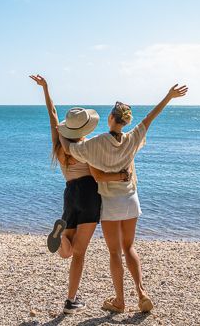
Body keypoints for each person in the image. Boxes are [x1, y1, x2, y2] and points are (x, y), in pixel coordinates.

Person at [61, 84, 188, 314]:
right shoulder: (132, 139)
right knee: (129, 248)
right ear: (126, 121)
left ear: (110, 118)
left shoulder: (95, 143)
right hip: (131, 200)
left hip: (110, 204)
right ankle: (141, 293)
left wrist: (61, 132)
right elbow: (150, 118)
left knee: (114, 252)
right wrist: (169, 96)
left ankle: (120, 301)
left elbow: (71, 149)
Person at [29, 75, 129, 315]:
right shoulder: (87, 146)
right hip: (89, 194)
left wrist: (45, 89)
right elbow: (104, 163)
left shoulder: (59, 146)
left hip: (70, 193)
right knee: (79, 255)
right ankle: (71, 299)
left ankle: (63, 239)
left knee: (70, 250)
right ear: (84, 129)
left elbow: (52, 114)